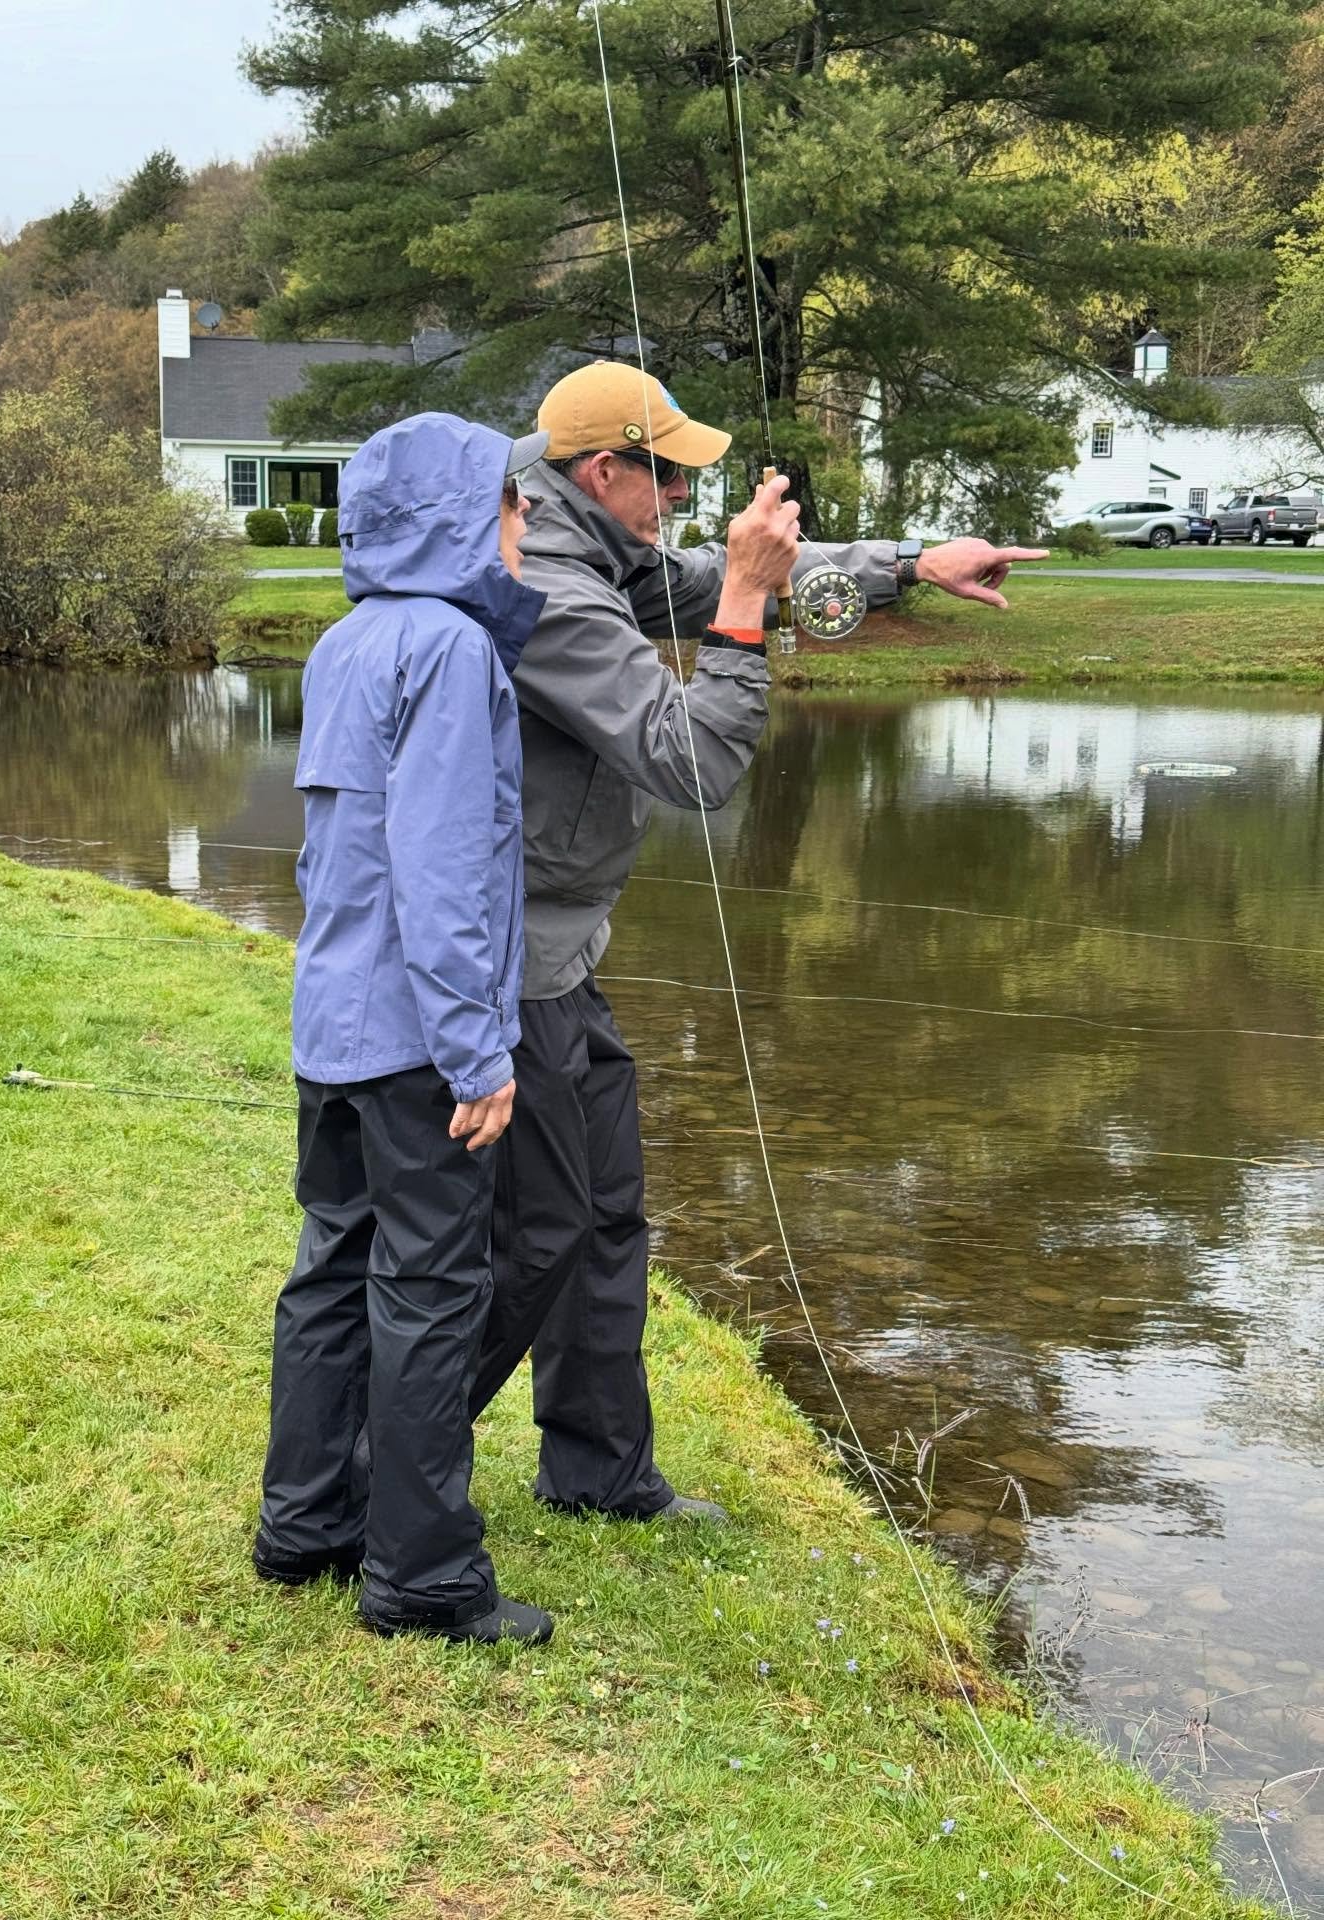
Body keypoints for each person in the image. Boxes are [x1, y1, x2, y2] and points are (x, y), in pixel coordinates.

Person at [467, 360, 1046, 1522]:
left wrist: (911, 565)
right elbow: (696, 762)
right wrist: (741, 606)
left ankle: (598, 1474)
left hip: (561, 953)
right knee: (537, 1238)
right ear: (602, 469)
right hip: (502, 967)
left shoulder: (590, 538)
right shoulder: (542, 587)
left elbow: (699, 573)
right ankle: (394, 1460)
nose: (682, 497)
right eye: (669, 475)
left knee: (607, 1214)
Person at [254, 411, 555, 1646]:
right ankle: (422, 1580)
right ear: (456, 516)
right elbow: (440, 869)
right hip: (414, 1040)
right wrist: (479, 1054)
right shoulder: (448, 650)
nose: (524, 522)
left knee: (331, 1271)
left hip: (331, 1027)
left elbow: (341, 856)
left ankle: (306, 1523)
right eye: (509, 500)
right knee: (429, 1289)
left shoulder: (345, 642)